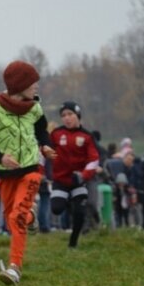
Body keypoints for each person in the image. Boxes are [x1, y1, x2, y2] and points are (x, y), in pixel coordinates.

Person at [0, 61, 53, 285]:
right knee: (13, 218)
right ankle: (31, 215)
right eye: (32, 82)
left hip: (31, 170)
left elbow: (43, 133)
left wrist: (46, 146)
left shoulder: (35, 108)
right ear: (19, 84)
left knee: (15, 217)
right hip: (5, 173)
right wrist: (1, 157)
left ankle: (14, 268)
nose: (36, 87)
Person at [49, 102, 100, 248]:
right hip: (60, 180)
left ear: (77, 115)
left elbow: (94, 159)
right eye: (63, 115)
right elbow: (44, 151)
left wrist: (83, 175)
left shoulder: (87, 136)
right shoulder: (56, 134)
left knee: (80, 213)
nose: (67, 118)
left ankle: (73, 241)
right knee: (56, 209)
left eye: (70, 114)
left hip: (78, 181)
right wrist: (39, 171)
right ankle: (70, 203)